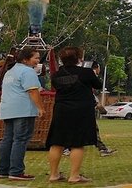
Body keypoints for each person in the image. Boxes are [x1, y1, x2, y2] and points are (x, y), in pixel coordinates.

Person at [46, 47, 102, 183]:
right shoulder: (87, 72)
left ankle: (53, 174)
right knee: (77, 143)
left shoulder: (56, 75)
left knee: (57, 142)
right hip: (81, 110)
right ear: (79, 58)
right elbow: (98, 85)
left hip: (61, 110)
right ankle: (74, 175)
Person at [0, 47, 44, 181]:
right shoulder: (27, 71)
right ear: (25, 59)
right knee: (20, 140)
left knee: (7, 139)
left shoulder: (10, 71)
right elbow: (33, 91)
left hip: (7, 109)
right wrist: (40, 107)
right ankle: (16, 171)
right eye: (36, 58)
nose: (37, 61)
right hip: (23, 110)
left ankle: (2, 170)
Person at [62, 60, 116, 158]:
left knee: (77, 128)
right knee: (92, 129)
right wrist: (99, 105)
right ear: (97, 67)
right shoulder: (89, 75)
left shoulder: (78, 76)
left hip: (75, 107)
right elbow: (90, 91)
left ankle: (67, 148)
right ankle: (102, 149)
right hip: (84, 108)